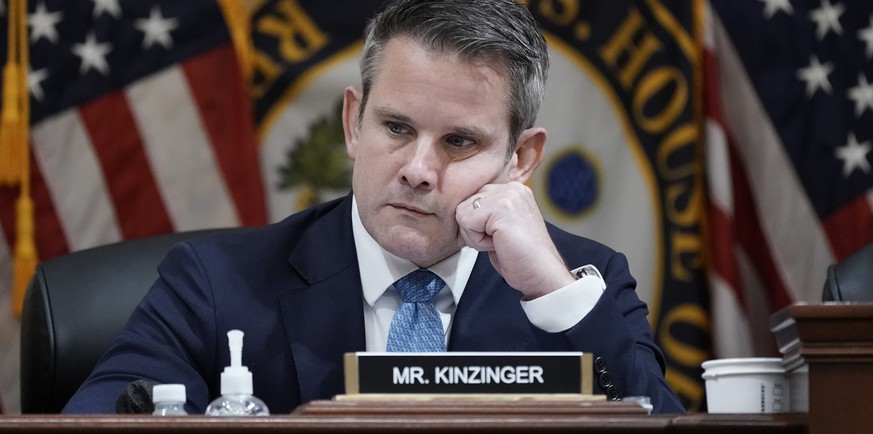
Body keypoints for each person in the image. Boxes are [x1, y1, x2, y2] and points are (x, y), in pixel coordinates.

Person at [64, 0, 684, 414]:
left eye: (459, 141)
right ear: (353, 123)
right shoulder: (217, 285)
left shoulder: (583, 284)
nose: (417, 169)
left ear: (520, 159)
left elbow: (659, 423)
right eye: (395, 128)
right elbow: (103, 419)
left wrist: (552, 294)